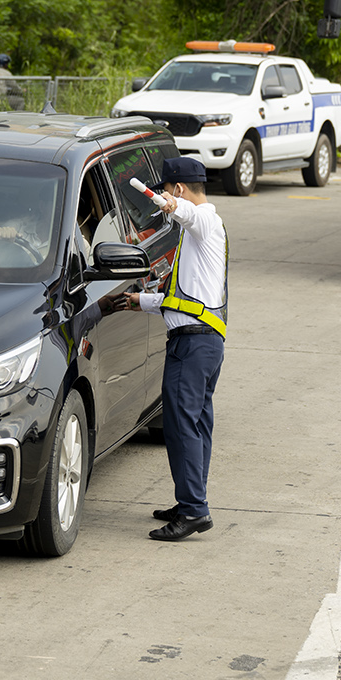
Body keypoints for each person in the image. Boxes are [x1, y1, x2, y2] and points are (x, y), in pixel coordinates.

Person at [123, 156, 228, 542]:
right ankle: (190, 501)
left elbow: (190, 213)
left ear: (179, 189)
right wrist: (141, 301)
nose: (166, 200)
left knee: (182, 428)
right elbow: (183, 298)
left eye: (168, 191)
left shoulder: (205, 222)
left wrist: (170, 205)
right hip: (204, 342)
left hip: (192, 345)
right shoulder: (199, 239)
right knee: (196, 425)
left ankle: (195, 510)